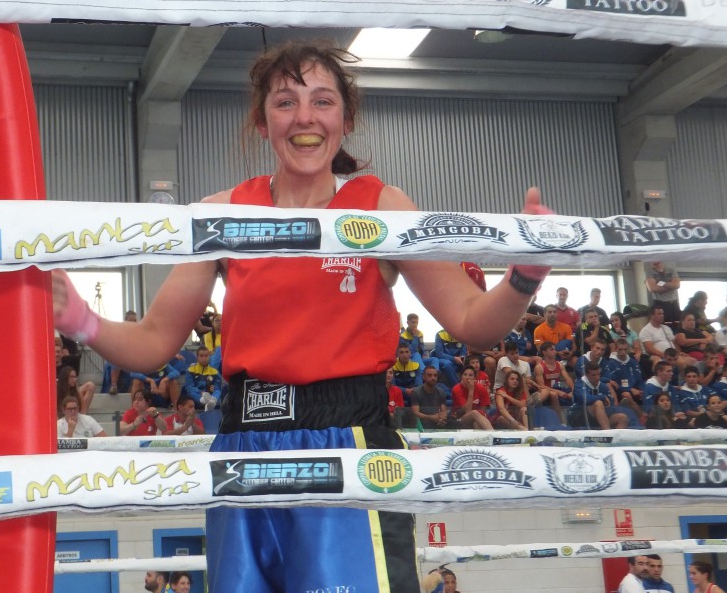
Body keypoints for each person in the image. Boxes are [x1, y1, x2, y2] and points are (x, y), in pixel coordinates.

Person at [51, 42, 552, 592]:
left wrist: (525, 273)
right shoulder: (223, 213)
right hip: (243, 446)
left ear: (346, 119)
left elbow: (472, 321)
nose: (306, 117)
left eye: (322, 101)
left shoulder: (381, 206)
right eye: (286, 102)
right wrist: (78, 318)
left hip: (349, 440)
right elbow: (153, 341)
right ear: (263, 123)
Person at [568, 362, 628, 429]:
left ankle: (616, 438)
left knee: (622, 418)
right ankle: (608, 434)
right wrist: (602, 397)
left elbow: (610, 405)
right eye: (593, 375)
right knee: (598, 403)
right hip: (577, 416)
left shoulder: (603, 386)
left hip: (597, 417)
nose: (597, 377)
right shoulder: (579, 385)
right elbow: (586, 399)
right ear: (586, 375)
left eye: (599, 374)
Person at [534, 341, 572, 424]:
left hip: (558, 388)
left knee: (575, 393)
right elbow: (541, 386)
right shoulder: (539, 367)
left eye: (555, 349)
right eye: (551, 350)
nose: (555, 352)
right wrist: (558, 392)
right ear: (544, 352)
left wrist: (573, 390)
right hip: (546, 391)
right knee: (553, 394)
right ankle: (560, 422)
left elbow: (568, 379)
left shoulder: (559, 364)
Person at [450, 365, 493, 430]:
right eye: (465, 375)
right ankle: (493, 434)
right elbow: (467, 411)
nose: (467, 377)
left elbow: (483, 410)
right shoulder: (456, 389)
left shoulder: (481, 388)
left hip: (478, 417)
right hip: (459, 419)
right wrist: (471, 390)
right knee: (474, 413)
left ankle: (482, 439)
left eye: (470, 375)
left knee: (476, 423)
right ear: (461, 377)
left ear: (475, 378)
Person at [413, 365, 451, 431]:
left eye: (435, 375)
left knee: (456, 424)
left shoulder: (441, 392)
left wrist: (442, 418)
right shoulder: (416, 392)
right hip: (422, 425)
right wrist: (432, 417)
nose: (433, 378)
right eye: (429, 375)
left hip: (438, 423)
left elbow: (444, 411)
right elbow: (415, 413)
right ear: (424, 377)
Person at [184, 346, 222, 411]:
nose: (204, 358)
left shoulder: (215, 372)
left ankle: (212, 401)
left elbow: (217, 387)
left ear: (209, 356)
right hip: (197, 397)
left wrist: (213, 388)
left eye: (206, 356)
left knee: (218, 391)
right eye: (201, 356)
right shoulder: (190, 370)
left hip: (210, 395)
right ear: (197, 357)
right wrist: (201, 393)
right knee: (190, 391)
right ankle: (204, 401)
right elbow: (189, 387)